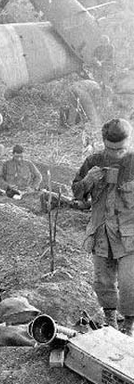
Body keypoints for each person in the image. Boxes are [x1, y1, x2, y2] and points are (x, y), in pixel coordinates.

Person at [72, 118, 134, 335]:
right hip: (101, 232)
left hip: (130, 235)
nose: (115, 153)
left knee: (129, 282)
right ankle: (111, 322)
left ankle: (129, 327)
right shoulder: (93, 161)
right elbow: (77, 193)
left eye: (120, 149)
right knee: (103, 281)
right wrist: (88, 180)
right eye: (110, 148)